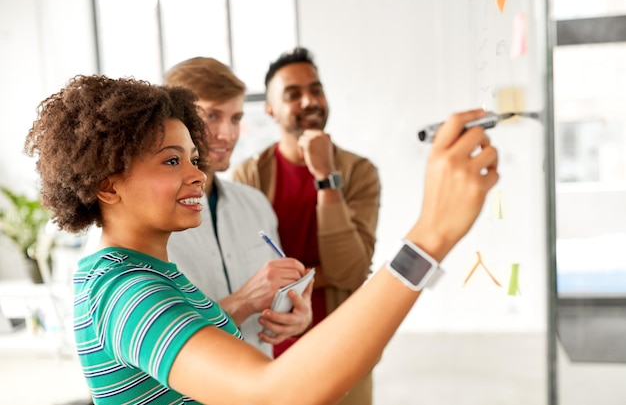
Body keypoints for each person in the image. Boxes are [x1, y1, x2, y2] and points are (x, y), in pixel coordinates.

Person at [25, 73, 498, 405]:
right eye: (172, 161)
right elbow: (272, 393)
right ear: (108, 185)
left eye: (194, 158)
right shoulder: (125, 290)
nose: (198, 175)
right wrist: (428, 237)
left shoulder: (152, 275)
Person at [232, 47, 381, 403]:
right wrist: (322, 273)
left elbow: (348, 271)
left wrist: (326, 178)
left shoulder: (359, 172)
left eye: (316, 89)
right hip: (272, 339)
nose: (309, 101)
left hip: (341, 336)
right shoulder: (250, 176)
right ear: (270, 109)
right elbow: (247, 272)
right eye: (293, 94)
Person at [163, 57, 312, 357]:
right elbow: (165, 343)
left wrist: (297, 315)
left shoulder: (256, 206)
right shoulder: (148, 223)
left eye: (235, 118)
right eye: (212, 116)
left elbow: (275, 304)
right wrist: (243, 302)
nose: (228, 135)